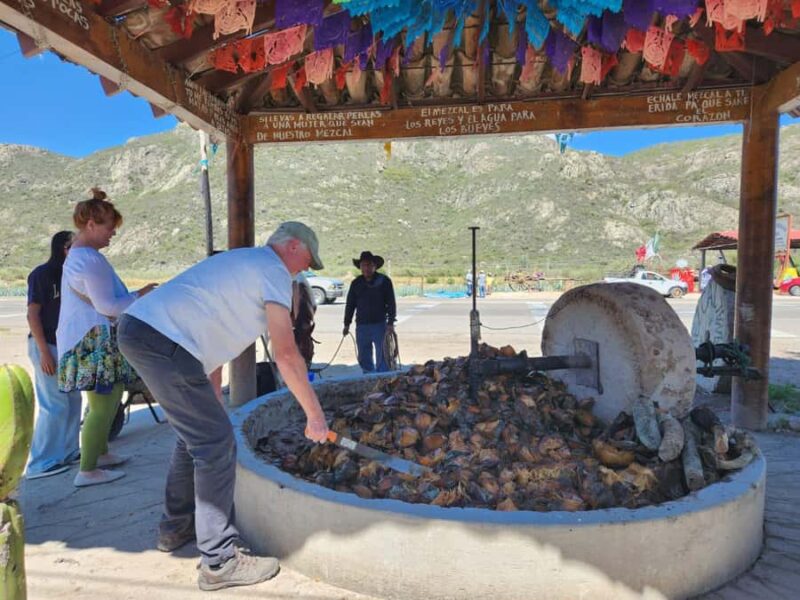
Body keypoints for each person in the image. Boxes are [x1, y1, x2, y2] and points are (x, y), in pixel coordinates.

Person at [117, 221, 329, 592]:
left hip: (144, 331)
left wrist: (210, 395)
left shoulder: (242, 264)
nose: (305, 271)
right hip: (161, 339)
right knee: (216, 444)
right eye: (308, 261)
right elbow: (285, 352)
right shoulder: (274, 269)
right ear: (294, 246)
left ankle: (176, 527)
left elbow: (207, 331)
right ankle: (219, 561)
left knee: (194, 436)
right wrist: (314, 416)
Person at [57, 189, 157, 488]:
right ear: (90, 224)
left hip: (84, 338)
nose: (112, 233)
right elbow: (108, 306)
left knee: (105, 400)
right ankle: (87, 470)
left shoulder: (79, 256)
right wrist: (142, 294)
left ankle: (100, 453)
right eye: (108, 227)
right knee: (104, 403)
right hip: (93, 341)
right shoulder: (89, 259)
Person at [25, 231, 82, 479]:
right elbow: (33, 314)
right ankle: (41, 462)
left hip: (67, 346)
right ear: (64, 248)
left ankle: (68, 451)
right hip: (47, 345)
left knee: (73, 400)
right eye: (75, 245)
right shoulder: (42, 275)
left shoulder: (72, 274)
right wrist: (43, 352)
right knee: (54, 404)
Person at [343, 251, 397, 373]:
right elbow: (350, 305)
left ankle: (383, 382)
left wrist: (390, 323)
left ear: (375, 266)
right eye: (363, 265)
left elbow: (391, 303)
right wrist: (347, 324)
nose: (366, 268)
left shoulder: (384, 282)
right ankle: (368, 379)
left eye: (369, 265)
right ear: (360, 267)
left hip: (380, 325)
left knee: (383, 356)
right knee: (363, 356)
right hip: (362, 326)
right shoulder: (356, 283)